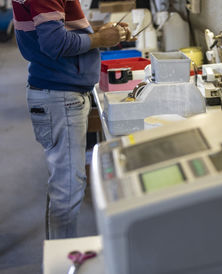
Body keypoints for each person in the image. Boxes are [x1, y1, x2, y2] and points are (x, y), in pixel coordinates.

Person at [12, 0, 132, 239]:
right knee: (67, 188)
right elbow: (54, 43)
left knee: (64, 181)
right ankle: (63, 260)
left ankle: (60, 253)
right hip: (60, 95)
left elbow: (53, 35)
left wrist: (100, 34)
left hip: (58, 91)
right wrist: (99, 39)